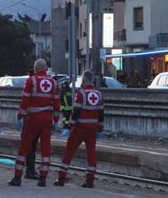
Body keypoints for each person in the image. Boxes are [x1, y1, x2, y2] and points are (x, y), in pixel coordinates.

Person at [9, 59, 60, 187]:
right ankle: (42, 178)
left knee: (24, 147)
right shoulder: (54, 83)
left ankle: (17, 177)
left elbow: (25, 100)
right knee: (45, 148)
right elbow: (57, 103)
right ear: (46, 69)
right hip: (47, 118)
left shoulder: (31, 81)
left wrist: (20, 115)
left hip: (33, 118)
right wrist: (56, 120)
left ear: (35, 69)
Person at [54, 70, 104, 189]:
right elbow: (101, 112)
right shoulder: (98, 94)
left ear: (83, 80)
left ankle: (61, 178)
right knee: (91, 153)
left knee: (69, 151)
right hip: (93, 129)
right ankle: (90, 180)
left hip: (80, 128)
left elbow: (76, 111)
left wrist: (70, 126)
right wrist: (100, 128)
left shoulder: (81, 94)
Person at [22, 69, 40, 180]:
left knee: (29, 146)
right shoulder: (36, 84)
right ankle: (30, 170)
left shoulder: (29, 84)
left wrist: (21, 115)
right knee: (31, 146)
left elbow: (24, 101)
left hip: (28, 118)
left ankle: (28, 170)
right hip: (33, 119)